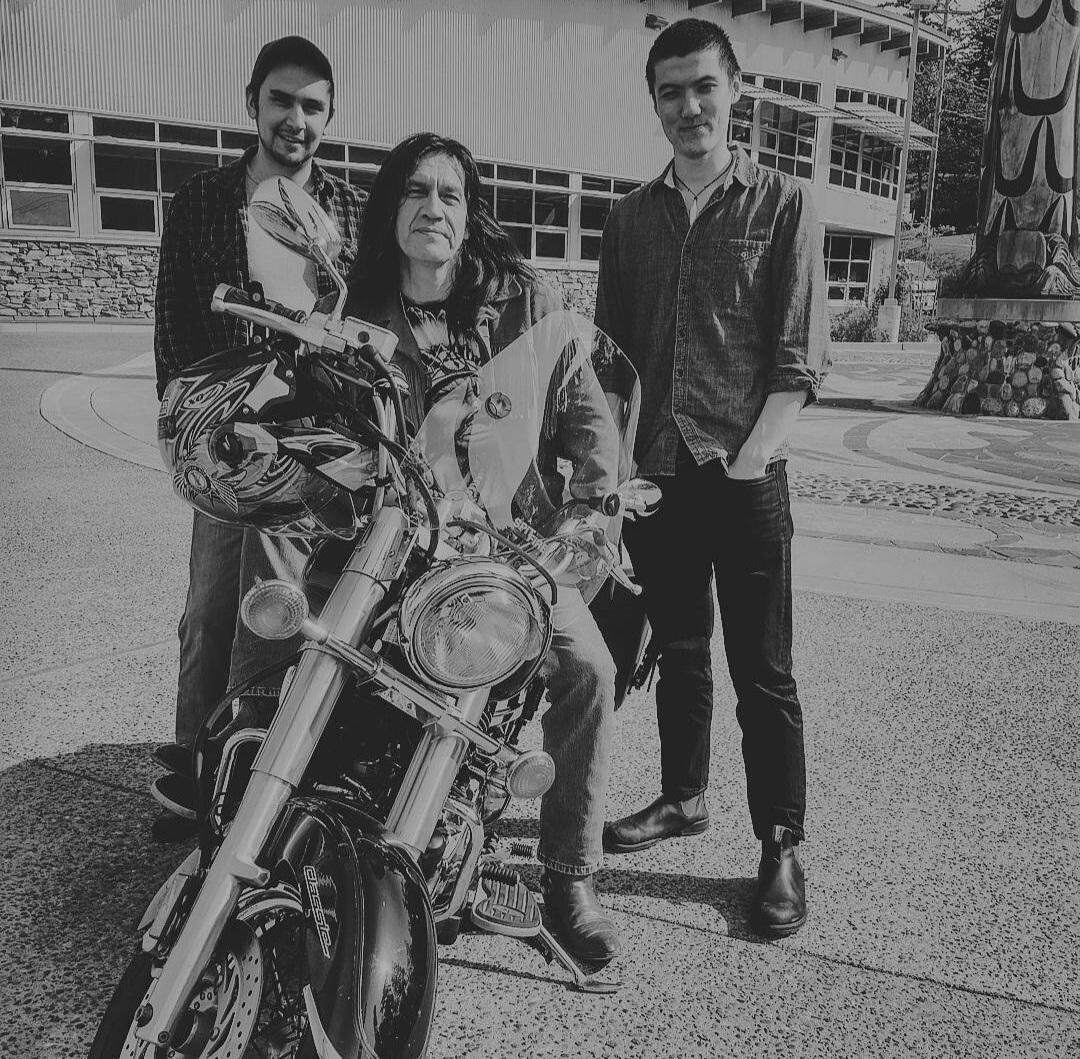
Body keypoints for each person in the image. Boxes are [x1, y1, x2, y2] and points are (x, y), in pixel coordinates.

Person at [345, 132, 622, 966]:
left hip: (510, 545)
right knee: (336, 655)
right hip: (394, 539)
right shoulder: (356, 305)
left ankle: (568, 872)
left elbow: (588, 415)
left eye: (452, 196)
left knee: (589, 670)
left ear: (471, 216)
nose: (434, 208)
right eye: (417, 192)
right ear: (391, 207)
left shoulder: (523, 302)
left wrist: (594, 510)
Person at [594, 18, 829, 937]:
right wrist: (613, 476)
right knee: (680, 652)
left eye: (703, 86)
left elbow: (798, 353)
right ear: (653, 104)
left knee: (762, 671)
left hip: (745, 469)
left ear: (737, 91)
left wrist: (752, 454)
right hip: (657, 476)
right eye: (669, 91)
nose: (688, 107)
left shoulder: (783, 203)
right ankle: (684, 797)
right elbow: (611, 359)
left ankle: (780, 842)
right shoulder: (628, 217)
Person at [152, 35, 365, 841]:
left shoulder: (349, 209)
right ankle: (192, 761)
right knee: (209, 607)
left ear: (330, 115)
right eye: (282, 101)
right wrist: (191, 427)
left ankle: (252, 766)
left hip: (306, 444)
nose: (297, 119)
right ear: (252, 104)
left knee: (277, 606)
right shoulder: (203, 200)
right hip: (223, 440)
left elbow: (363, 323)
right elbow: (174, 324)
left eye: (313, 105)